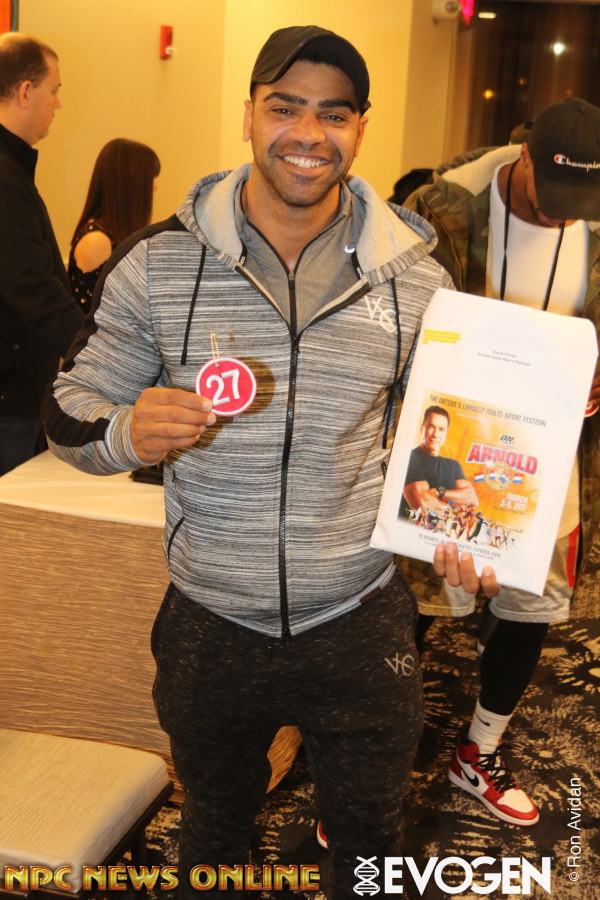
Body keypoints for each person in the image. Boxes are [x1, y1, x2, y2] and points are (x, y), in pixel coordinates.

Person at [43, 25, 498, 898]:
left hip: (359, 619)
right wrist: (128, 431)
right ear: (248, 113)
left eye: (334, 113)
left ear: (361, 128)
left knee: (370, 846)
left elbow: (451, 440)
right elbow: (68, 409)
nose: (308, 133)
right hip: (210, 621)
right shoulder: (158, 261)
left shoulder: (418, 281)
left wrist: (469, 531)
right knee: (213, 825)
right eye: (285, 107)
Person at [405, 97, 600, 827]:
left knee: (531, 606)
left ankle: (478, 750)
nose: (561, 215)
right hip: (447, 443)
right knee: (416, 606)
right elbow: (391, 315)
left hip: (549, 458)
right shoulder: (443, 208)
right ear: (524, 157)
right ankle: (371, 761)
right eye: (552, 196)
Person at [0, 33, 83, 476]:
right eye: (55, 90)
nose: (58, 103)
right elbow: (31, 288)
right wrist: (102, 354)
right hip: (9, 396)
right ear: (26, 91)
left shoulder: (12, 168)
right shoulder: (3, 175)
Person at [69, 138, 161, 314]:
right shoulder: (97, 241)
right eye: (150, 179)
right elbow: (94, 316)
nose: (155, 187)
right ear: (131, 184)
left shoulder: (117, 235)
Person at [399, 404, 477, 519]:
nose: (435, 434)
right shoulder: (410, 458)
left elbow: (472, 499)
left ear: (446, 433)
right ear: (422, 428)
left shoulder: (453, 465)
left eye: (441, 430)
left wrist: (440, 492)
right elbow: (424, 506)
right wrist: (455, 508)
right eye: (431, 427)